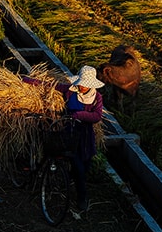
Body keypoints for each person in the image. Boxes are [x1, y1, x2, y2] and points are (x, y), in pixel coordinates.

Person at [22, 65, 104, 211]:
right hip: (69, 134)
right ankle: (81, 198)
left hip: (85, 137)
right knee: (78, 167)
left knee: (85, 167)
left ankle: (69, 181)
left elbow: (96, 116)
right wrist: (29, 81)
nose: (83, 87)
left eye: (86, 85)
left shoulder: (96, 98)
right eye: (81, 83)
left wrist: (78, 115)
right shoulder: (70, 91)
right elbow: (51, 85)